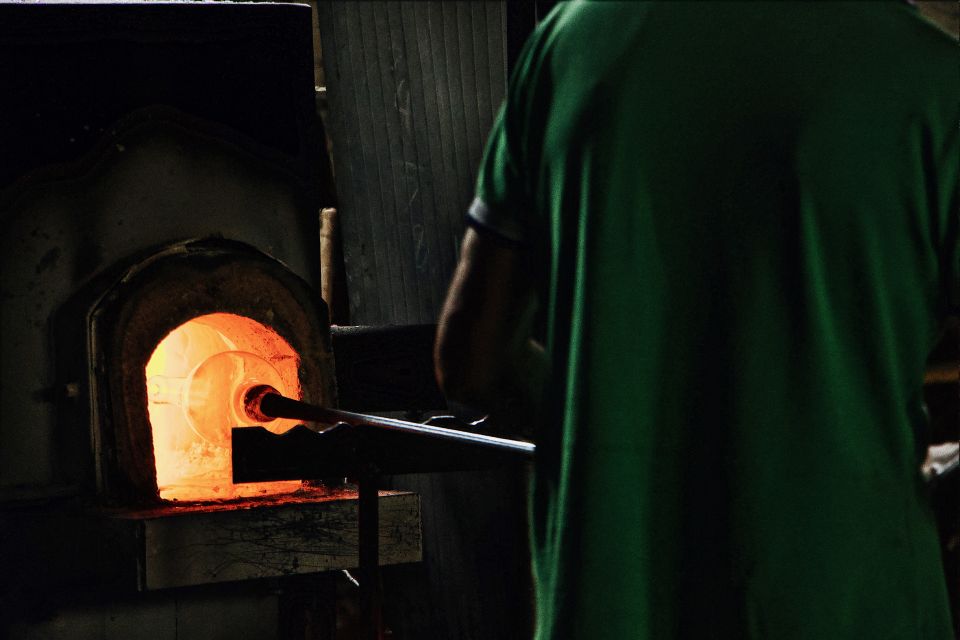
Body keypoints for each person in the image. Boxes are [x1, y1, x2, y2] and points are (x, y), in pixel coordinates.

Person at [434, 2, 959, 639]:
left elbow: (469, 361)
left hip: (609, 601)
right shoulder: (930, 74)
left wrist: (598, 410)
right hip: (847, 598)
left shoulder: (569, 42)